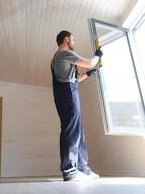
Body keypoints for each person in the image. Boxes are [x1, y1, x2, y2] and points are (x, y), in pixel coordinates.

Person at [51, 30, 103, 181]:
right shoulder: (63, 53)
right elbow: (89, 62)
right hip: (67, 94)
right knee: (71, 130)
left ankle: (83, 169)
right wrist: (98, 55)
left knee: (77, 131)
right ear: (66, 39)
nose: (74, 42)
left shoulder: (61, 58)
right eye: (73, 39)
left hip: (69, 92)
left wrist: (89, 74)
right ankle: (69, 170)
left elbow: (74, 79)